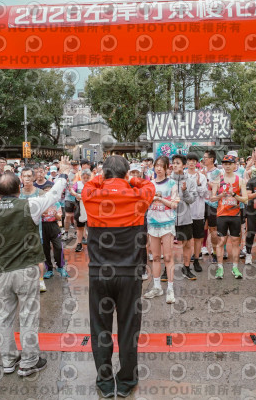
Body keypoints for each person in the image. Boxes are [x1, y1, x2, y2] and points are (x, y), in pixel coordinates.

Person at [0, 157, 70, 377]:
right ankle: (29, 361)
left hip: (2, 271)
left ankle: (8, 361)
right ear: (18, 187)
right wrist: (62, 174)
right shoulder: (29, 205)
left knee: (4, 317)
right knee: (28, 316)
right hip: (26, 269)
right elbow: (53, 195)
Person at [82, 155, 154, 398]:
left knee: (100, 329)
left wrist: (103, 180)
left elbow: (89, 184)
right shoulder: (138, 195)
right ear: (126, 174)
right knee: (128, 328)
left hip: (99, 273)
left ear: (104, 174)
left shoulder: (91, 195)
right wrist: (132, 180)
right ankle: (126, 381)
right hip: (129, 273)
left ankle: (105, 382)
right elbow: (149, 185)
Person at [144, 156, 179, 303]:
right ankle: (157, 287)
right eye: (156, 165)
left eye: (161, 166)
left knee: (168, 257)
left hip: (167, 224)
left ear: (166, 168)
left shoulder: (172, 184)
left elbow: (174, 204)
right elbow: (144, 203)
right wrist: (150, 199)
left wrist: (160, 199)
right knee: (156, 257)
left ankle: (170, 289)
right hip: (153, 224)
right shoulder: (150, 184)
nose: (158, 168)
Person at [209, 155, 248, 280]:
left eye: (230, 164)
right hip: (222, 215)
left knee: (236, 242)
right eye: (225, 164)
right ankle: (220, 268)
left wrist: (234, 194)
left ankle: (235, 268)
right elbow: (212, 198)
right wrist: (221, 195)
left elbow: (245, 199)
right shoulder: (218, 180)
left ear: (235, 165)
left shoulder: (240, 180)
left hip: (235, 216)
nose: (227, 166)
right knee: (221, 242)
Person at [170, 154, 197, 281]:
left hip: (185, 218)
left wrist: (185, 190)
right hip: (169, 218)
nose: (175, 165)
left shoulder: (190, 181)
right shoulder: (168, 180)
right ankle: (167, 269)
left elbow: (191, 200)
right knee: (168, 245)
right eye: (173, 163)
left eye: (178, 163)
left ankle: (186, 268)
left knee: (187, 244)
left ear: (184, 165)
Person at [185, 152, 208, 272]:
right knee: (186, 239)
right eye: (190, 160)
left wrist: (198, 184)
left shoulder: (202, 177)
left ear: (197, 163)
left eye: (194, 161)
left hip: (198, 212)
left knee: (198, 238)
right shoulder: (182, 176)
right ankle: (186, 262)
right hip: (185, 213)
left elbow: (204, 193)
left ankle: (196, 260)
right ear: (186, 162)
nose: (191, 163)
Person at [203, 150, 221, 262]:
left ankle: (215, 253)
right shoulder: (201, 170)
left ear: (211, 159)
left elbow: (217, 187)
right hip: (201, 203)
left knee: (213, 228)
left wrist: (206, 179)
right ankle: (200, 250)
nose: (203, 159)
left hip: (212, 204)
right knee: (201, 227)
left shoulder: (218, 172)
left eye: (205, 157)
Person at [71, 169, 91, 253]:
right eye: (84, 177)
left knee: (90, 227)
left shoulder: (92, 184)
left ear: (90, 177)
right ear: (81, 177)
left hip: (90, 209)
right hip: (79, 209)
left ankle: (91, 243)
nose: (85, 179)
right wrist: (76, 194)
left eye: (87, 178)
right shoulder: (77, 184)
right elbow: (72, 190)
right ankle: (79, 244)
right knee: (80, 228)